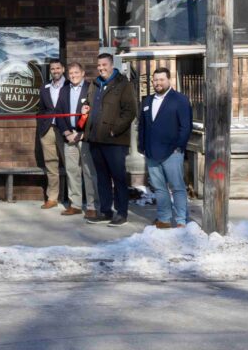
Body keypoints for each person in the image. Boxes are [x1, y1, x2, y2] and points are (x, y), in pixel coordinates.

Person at [82, 53, 138, 227]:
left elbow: (130, 111)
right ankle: (106, 211)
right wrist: (86, 109)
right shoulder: (95, 84)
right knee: (102, 177)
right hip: (96, 139)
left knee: (118, 177)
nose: (101, 68)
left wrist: (114, 131)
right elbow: (92, 106)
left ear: (112, 65)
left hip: (114, 141)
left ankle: (121, 213)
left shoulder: (123, 84)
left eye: (104, 65)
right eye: (99, 65)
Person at [138, 68, 193, 229]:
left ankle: (181, 220)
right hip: (151, 152)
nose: (158, 83)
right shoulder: (147, 101)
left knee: (177, 187)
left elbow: (185, 127)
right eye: (155, 80)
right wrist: (142, 146)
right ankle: (164, 218)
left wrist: (179, 147)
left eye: (161, 79)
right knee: (160, 188)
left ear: (169, 80)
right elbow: (142, 126)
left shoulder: (180, 100)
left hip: (172, 152)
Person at [57, 62, 97, 218]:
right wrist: (67, 132)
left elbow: (93, 113)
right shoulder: (64, 90)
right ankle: (75, 204)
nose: (73, 76)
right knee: (72, 171)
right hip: (69, 137)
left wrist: (81, 133)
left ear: (82, 73)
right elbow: (58, 112)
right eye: (70, 73)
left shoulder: (91, 89)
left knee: (89, 172)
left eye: (76, 73)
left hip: (84, 137)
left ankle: (93, 205)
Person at [37, 59, 67, 210]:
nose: (55, 71)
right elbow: (41, 108)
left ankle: (74, 198)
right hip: (48, 129)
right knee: (51, 164)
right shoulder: (45, 86)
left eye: (58, 68)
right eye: (53, 69)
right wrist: (42, 123)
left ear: (63, 69)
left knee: (71, 163)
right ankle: (53, 197)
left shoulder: (69, 85)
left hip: (65, 129)